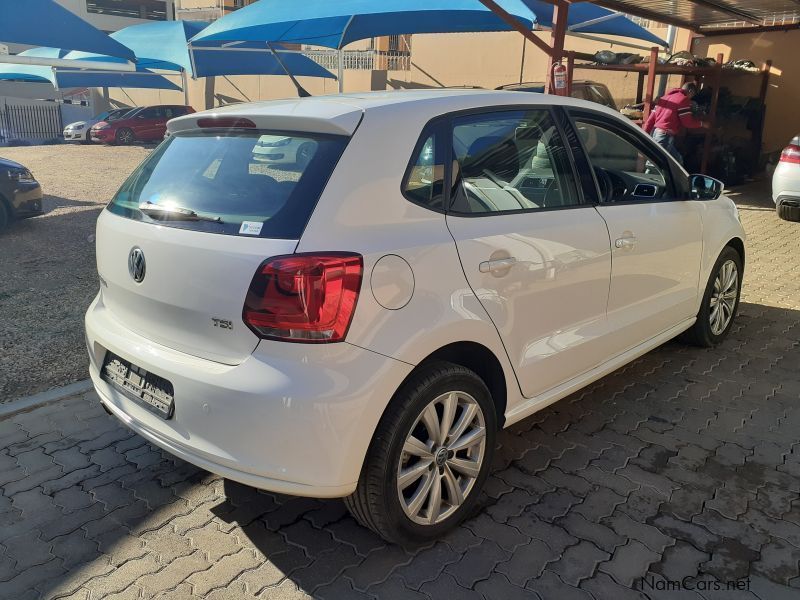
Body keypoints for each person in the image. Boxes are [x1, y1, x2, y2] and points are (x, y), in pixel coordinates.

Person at [644, 82, 706, 164]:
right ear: (690, 91)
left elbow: (650, 120)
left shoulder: (664, 98)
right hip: (665, 136)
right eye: (692, 95)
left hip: (655, 133)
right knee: (655, 164)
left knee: (677, 161)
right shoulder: (683, 99)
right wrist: (702, 124)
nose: (691, 98)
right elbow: (687, 123)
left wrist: (644, 134)